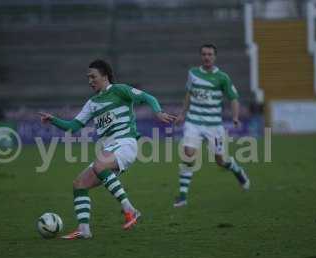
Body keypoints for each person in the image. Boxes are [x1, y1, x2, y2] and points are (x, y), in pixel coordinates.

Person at [39, 59, 176, 239]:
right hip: (110, 149)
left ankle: (130, 210)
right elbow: (73, 126)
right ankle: (84, 229)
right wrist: (53, 120)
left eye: (93, 76)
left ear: (104, 76)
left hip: (126, 143)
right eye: (88, 77)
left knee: (100, 164)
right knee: (79, 184)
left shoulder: (119, 90)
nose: (90, 81)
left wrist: (158, 112)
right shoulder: (92, 103)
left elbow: (147, 97)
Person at [174, 44, 250, 208]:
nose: (207, 57)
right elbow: (188, 94)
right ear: (201, 56)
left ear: (215, 57)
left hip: (214, 125)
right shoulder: (193, 73)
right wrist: (182, 114)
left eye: (210, 54)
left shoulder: (222, 77)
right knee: (188, 155)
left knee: (220, 161)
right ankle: (182, 197)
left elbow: (233, 98)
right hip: (193, 122)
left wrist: (235, 117)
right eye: (204, 54)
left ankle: (237, 170)